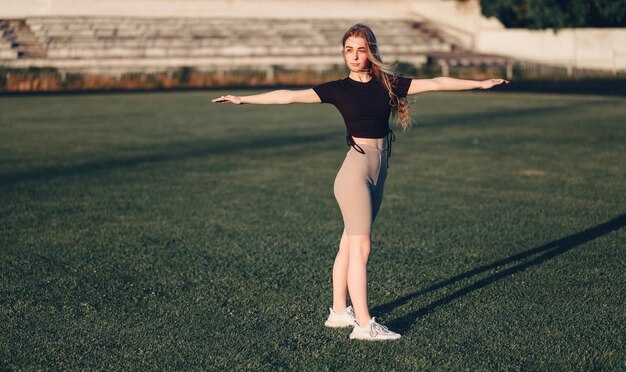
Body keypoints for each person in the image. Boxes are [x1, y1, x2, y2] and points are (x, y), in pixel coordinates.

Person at [212, 23, 509, 341]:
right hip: (354, 173)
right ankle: (365, 324)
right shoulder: (339, 89)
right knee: (361, 247)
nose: (354, 56)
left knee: (348, 244)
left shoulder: (389, 84)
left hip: (379, 169)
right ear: (343, 53)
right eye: (348, 50)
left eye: (360, 49)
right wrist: (244, 99)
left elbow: (436, 82)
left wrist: (479, 84)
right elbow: (289, 96)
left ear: (371, 51)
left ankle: (339, 312)